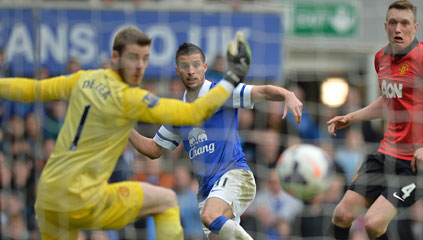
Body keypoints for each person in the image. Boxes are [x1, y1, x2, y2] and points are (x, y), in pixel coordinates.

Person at [0, 26, 252, 240]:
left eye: (144, 58)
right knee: (166, 200)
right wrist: (232, 77)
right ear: (116, 57)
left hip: (48, 196)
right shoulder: (131, 98)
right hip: (83, 197)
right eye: (134, 58)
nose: (140, 66)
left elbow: (32, 89)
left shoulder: (81, 79)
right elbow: (193, 114)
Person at [326, 1, 423, 239]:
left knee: (372, 223)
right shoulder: (380, 58)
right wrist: (352, 117)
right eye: (393, 23)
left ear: (415, 27)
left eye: (404, 23)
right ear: (386, 26)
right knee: (341, 214)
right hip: (386, 154)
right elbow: (389, 100)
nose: (398, 29)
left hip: (419, 164)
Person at [129, 42, 303, 240]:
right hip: (206, 192)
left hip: (235, 176)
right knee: (215, 233)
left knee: (209, 216)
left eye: (196, 65)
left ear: (204, 68)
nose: (191, 71)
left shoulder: (221, 93)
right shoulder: (177, 113)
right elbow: (153, 149)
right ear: (177, 71)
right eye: (185, 66)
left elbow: (262, 92)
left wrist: (288, 95)